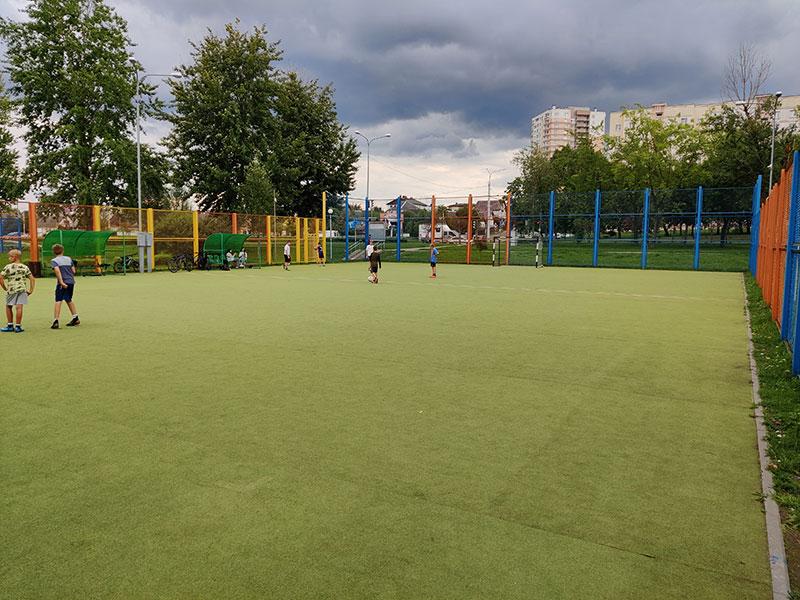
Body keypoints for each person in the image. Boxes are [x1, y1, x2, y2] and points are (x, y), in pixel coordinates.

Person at [0, 249, 36, 333]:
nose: (9, 258)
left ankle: (10, 325)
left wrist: (4, 287)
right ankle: (18, 327)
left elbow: (1, 277)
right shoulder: (25, 267)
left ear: (15, 257)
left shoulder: (8, 267)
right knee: (19, 307)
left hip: (11, 290)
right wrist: (31, 290)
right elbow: (32, 278)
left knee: (8, 306)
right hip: (22, 290)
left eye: (10, 256)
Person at [50, 244, 78, 329]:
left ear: (53, 252)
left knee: (58, 300)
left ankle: (56, 321)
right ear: (63, 251)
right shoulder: (69, 259)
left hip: (62, 283)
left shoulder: (54, 261)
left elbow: (57, 271)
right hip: (71, 282)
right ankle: (75, 317)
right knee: (68, 299)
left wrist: (61, 282)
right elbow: (74, 271)